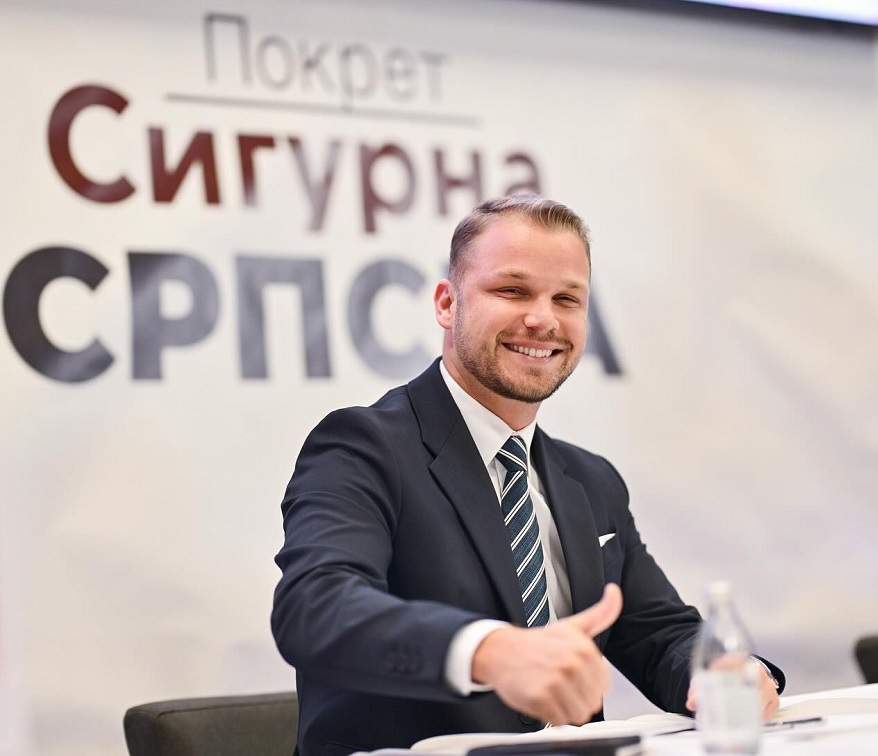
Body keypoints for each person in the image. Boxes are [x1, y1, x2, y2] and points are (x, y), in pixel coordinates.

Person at [271, 195, 784, 756]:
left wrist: (722, 674)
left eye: (567, 299)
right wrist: (488, 651)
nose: (543, 319)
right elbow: (315, 608)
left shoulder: (591, 480)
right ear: (446, 303)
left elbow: (657, 633)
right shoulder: (362, 446)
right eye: (512, 291)